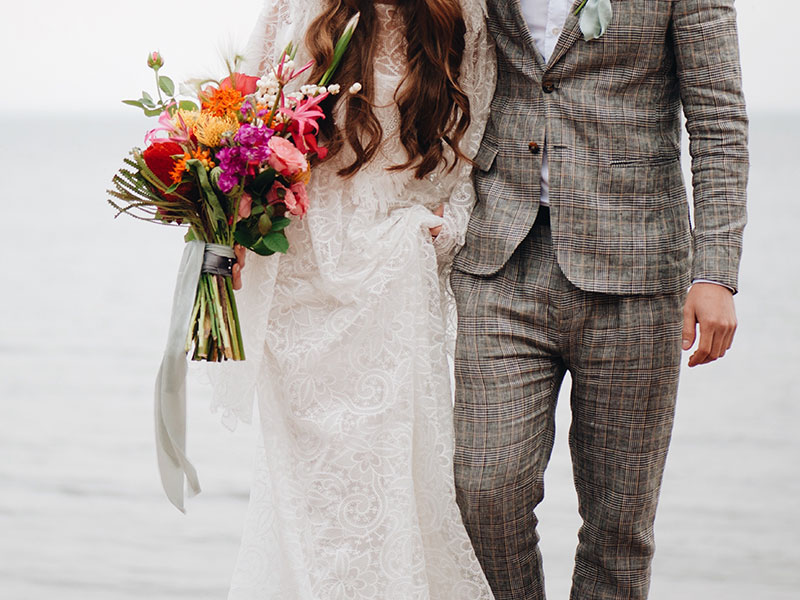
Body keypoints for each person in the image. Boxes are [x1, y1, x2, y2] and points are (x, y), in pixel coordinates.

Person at [451, 1, 748, 599]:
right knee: (484, 487)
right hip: (499, 256)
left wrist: (715, 273)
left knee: (619, 527)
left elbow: (717, 120)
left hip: (637, 268)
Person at [212, 0, 497, 597]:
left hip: (391, 280)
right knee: (306, 498)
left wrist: (442, 230)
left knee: (390, 486)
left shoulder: (460, 14)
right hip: (300, 283)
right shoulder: (298, 8)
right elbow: (240, 134)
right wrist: (224, 239)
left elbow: (466, 157)